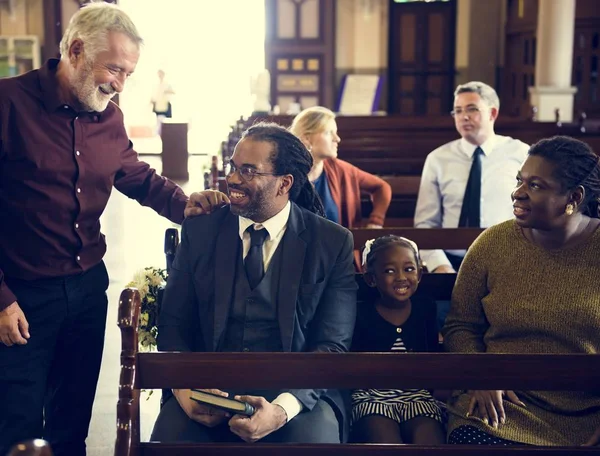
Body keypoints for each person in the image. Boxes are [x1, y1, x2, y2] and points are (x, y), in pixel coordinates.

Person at [0, 3, 228, 456]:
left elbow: (135, 175)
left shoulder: (108, 115)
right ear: (77, 50)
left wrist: (187, 207)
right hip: (20, 294)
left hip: (85, 288)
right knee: (17, 423)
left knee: (73, 418)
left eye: (128, 73)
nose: (119, 84)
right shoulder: (8, 104)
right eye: (114, 69)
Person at [151, 122, 358, 444]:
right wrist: (185, 389)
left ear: (284, 183)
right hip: (207, 387)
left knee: (315, 446)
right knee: (170, 443)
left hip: (298, 392)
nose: (232, 179)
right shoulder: (201, 231)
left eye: (248, 171)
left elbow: (332, 345)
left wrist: (282, 409)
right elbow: (175, 323)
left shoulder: (330, 242)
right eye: (234, 167)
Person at [442, 135, 600, 446]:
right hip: (500, 408)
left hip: (590, 411)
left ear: (575, 196)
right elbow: (460, 326)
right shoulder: (493, 244)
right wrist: (480, 373)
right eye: (520, 181)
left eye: (536, 186)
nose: (518, 193)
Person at [414, 81, 529, 274]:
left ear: (492, 113)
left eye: (472, 109)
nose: (463, 117)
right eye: (457, 111)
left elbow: (532, 214)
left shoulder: (521, 153)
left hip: (507, 260)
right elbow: (425, 225)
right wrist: (440, 266)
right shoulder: (438, 159)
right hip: (451, 262)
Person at [350, 236, 445, 445]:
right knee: (385, 440)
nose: (401, 277)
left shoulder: (425, 308)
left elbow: (431, 356)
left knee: (430, 440)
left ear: (420, 274)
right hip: (372, 395)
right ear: (371, 279)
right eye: (389, 271)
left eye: (409, 269)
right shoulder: (361, 312)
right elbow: (354, 363)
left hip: (417, 393)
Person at [290, 106, 392, 230]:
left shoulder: (340, 169)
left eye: (336, 133)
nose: (337, 139)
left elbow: (382, 187)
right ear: (307, 138)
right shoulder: (284, 173)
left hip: (335, 248)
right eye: (328, 133)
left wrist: (376, 221)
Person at [151, 69, 175, 135]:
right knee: (159, 122)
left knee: (166, 123)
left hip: (165, 105)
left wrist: (167, 92)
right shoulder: (156, 85)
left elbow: (173, 92)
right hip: (158, 106)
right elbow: (154, 96)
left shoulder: (167, 84)